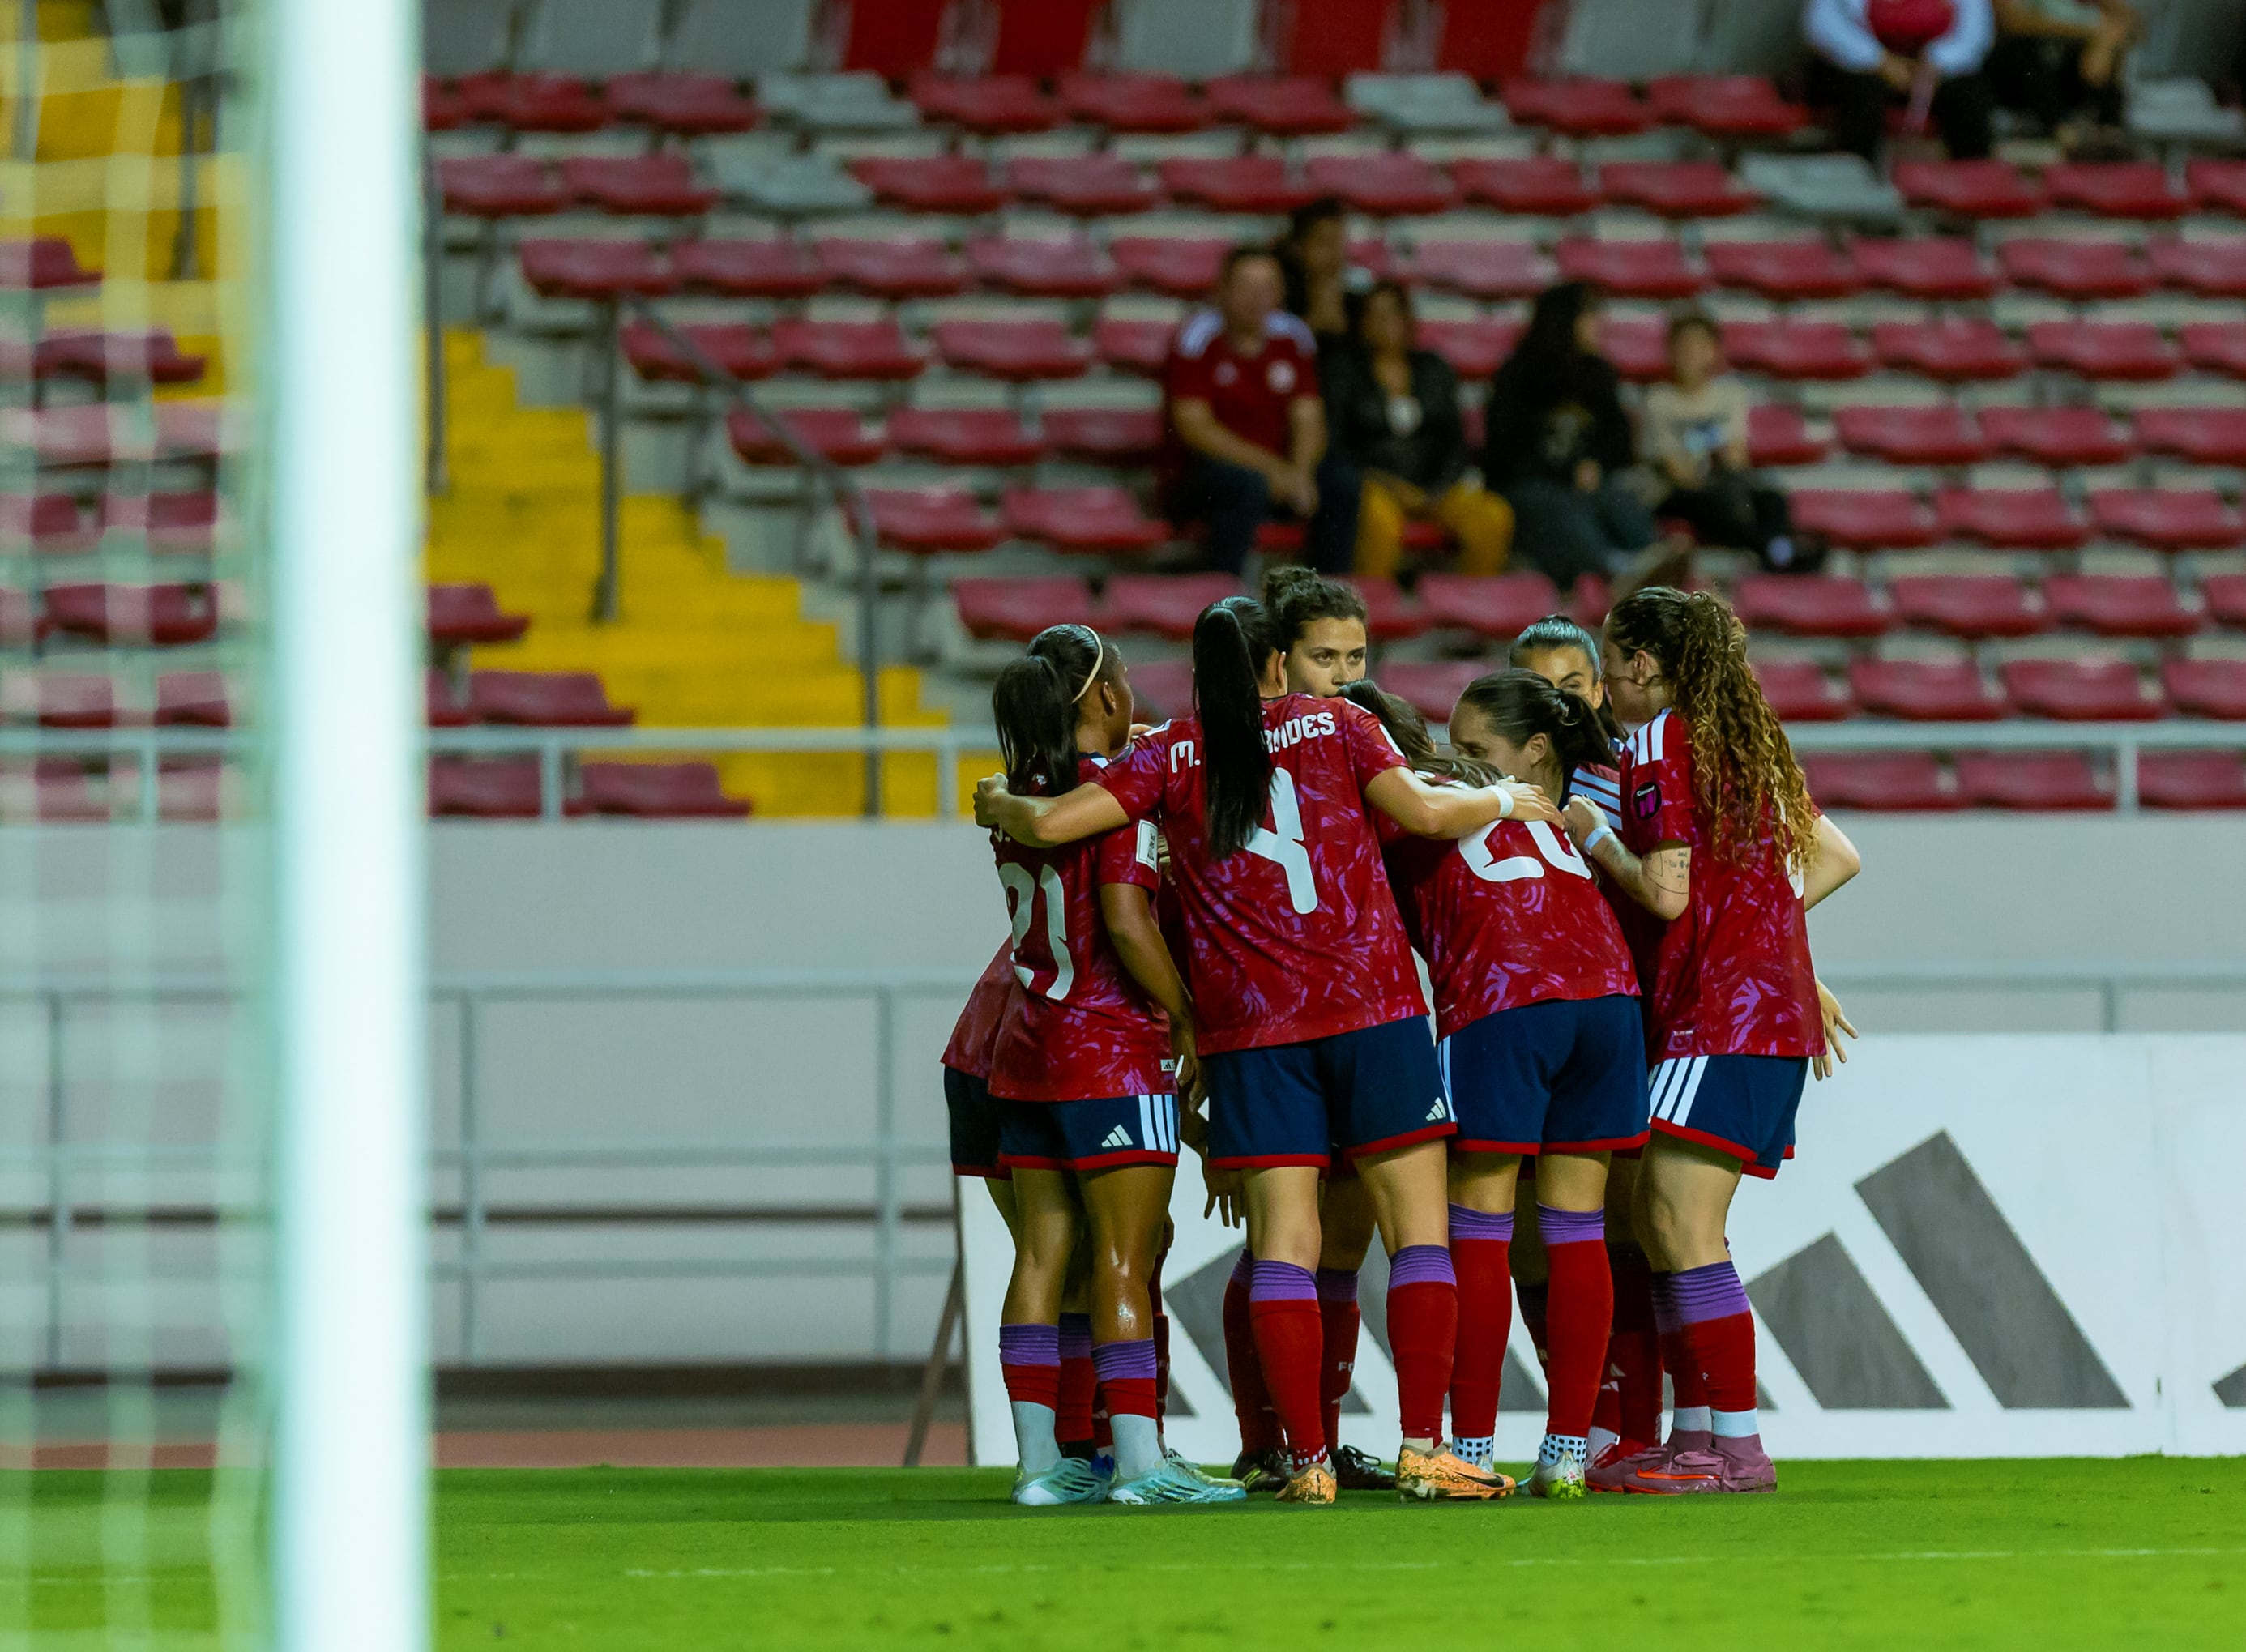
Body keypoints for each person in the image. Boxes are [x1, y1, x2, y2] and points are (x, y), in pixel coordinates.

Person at [976, 595, 1557, 1505]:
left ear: (1196, 676)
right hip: (1371, 1008)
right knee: (1417, 1234)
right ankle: (1423, 1449)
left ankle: (1307, 1459)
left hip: (1253, 1032)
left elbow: (1049, 826)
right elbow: (1425, 814)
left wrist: (999, 798)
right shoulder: (1342, 723)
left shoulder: (1167, 753)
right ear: (1280, 665)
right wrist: (1501, 795)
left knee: (1284, 1243)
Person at [1564, 587, 1864, 1495]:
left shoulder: (1658, 737)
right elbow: (1835, 856)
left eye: (1609, 664)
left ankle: (1737, 1448)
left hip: (1720, 1014)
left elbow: (1664, 892)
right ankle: (1693, 1435)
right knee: (1666, 1222)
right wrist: (1764, 933)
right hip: (1752, 1007)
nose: (1606, 686)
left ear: (1642, 664)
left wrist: (1594, 835)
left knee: (1680, 1225)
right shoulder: (1740, 740)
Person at [1348, 672, 1646, 1499]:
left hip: (1504, 998)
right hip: (1610, 998)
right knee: (1577, 1226)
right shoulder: (1505, 792)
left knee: (1478, 1227)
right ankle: (1569, 1454)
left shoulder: (1393, 800)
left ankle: (1474, 1447)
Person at [984, 624, 1247, 1506]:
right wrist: (1189, 1019)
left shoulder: (1015, 795)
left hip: (1027, 1049)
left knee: (1040, 1256)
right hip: (1110, 1051)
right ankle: (1140, 1462)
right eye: (1124, 677)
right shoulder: (1115, 799)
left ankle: (1037, 1466)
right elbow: (1128, 924)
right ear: (1102, 695)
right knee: (1125, 1260)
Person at [1211, 567, 1394, 1495]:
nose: (1346, 675)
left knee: (1334, 1248)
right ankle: (1268, 1441)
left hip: (1335, 1022)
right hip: (1286, 1026)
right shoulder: (1218, 752)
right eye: (1327, 657)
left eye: (1357, 655)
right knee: (1281, 1243)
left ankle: (1312, 1441)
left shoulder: (1368, 730)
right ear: (1277, 661)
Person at [1505, 615, 1662, 1474]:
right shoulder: (1486, 788)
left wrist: (1798, 970)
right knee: (1532, 1239)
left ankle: (1634, 1429)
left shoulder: (1630, 780)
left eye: (1570, 686)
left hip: (1630, 1018)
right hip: (1521, 1024)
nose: (1557, 703)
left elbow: (1701, 885)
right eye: (1537, 689)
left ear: (1600, 690)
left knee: (1631, 1225)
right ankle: (1585, 1417)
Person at [1164, 246, 1360, 578]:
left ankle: (1326, 593)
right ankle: (1225, 593)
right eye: (1247, 287)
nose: (1258, 297)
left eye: (1268, 287)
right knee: (1241, 485)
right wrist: (1273, 470)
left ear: (1281, 292)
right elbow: (1195, 427)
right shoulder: (1197, 337)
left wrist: (1299, 472)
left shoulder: (1293, 336)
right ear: (1223, 291)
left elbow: (1308, 417)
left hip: (1281, 474)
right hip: (1206, 476)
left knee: (1341, 483)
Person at [1484, 282, 1676, 591]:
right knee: (1561, 509)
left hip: (1585, 484)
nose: (1600, 323)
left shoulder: (1599, 373)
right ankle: (1612, 570)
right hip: (1530, 485)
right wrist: (1566, 471)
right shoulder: (1517, 375)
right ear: (1564, 320)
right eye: (1590, 315)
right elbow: (1504, 453)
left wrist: (1595, 465)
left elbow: (1618, 441)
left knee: (1620, 500)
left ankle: (1653, 562)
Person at [1325, 281, 1515, 582]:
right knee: (1378, 520)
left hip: (1435, 488)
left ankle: (1472, 602)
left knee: (1493, 516)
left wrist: (1438, 490)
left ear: (1407, 319)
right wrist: (1386, 484)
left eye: (1392, 313)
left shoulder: (1434, 369)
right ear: (1361, 323)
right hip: (1376, 485)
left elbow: (1456, 441)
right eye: (1374, 315)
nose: (1385, 323)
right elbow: (1338, 445)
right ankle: (1372, 605)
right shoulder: (1345, 372)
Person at [1643, 314, 1819, 574]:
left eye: (1700, 345)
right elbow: (1676, 471)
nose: (1692, 353)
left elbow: (1737, 458)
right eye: (1685, 346)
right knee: (1718, 503)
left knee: (1772, 500)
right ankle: (1778, 552)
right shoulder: (1658, 400)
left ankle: (1776, 553)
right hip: (1681, 494)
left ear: (1713, 351)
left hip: (1726, 484)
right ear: (1671, 350)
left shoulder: (1731, 395)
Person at [1805, 0, 1996, 164]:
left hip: (1936, 71)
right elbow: (1823, 25)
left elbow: (1975, 32)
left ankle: (1973, 179)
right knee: (1861, 93)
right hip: (1865, 66)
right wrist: (1880, 61)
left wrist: (1937, 62)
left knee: (1968, 94)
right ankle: (1853, 180)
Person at [1987, 0, 2133, 147]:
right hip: (2020, 65)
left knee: (2104, 58)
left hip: (2072, 64)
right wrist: (2084, 31)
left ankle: (2110, 134)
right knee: (2030, 60)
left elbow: (2125, 17)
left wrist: (2104, 45)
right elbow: (2011, 22)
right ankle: (2061, 132)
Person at [1276, 195, 1353, 352]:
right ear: (1298, 248)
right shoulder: (1279, 302)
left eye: (1339, 243)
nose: (1334, 253)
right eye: (1324, 243)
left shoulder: (1358, 304)